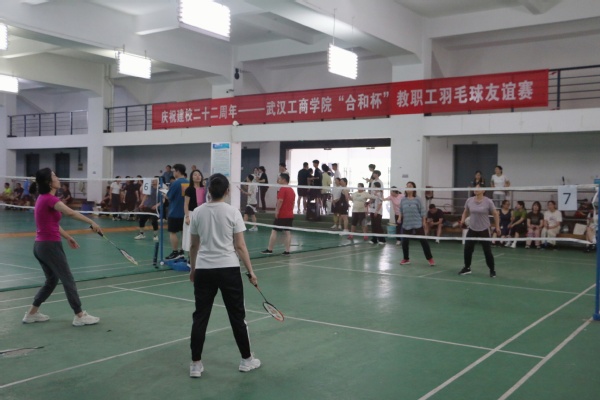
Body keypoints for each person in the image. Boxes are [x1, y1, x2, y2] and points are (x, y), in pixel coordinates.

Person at [188, 173, 260, 378]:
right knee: (237, 316)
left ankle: (195, 364)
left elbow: (193, 245)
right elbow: (240, 246)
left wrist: (193, 269)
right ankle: (246, 360)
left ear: (208, 191)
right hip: (229, 270)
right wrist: (251, 272)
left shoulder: (197, 212)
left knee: (200, 317)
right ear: (227, 191)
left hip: (204, 270)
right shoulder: (233, 212)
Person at [22, 168, 101, 326]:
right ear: (49, 182)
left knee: (52, 280)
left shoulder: (43, 198)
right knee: (67, 279)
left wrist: (68, 237)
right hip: (49, 246)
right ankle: (79, 315)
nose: (58, 177)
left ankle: (31, 313)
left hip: (41, 246)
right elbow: (70, 213)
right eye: (54, 176)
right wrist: (92, 222)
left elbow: (52, 224)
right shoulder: (49, 199)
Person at [458, 184, 500, 277]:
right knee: (467, 249)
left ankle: (492, 270)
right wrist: (462, 221)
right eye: (475, 187)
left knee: (487, 251)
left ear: (483, 190)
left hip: (484, 229)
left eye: (479, 188)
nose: (476, 189)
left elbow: (495, 214)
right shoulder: (469, 200)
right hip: (472, 228)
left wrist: (497, 227)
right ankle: (467, 268)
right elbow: (465, 211)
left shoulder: (488, 201)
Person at [398, 182, 435, 266]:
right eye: (407, 186)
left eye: (410, 186)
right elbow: (401, 210)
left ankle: (430, 259)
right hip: (406, 224)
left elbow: (422, 211)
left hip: (417, 223)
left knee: (423, 241)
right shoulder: (403, 199)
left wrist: (424, 222)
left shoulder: (418, 199)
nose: (408, 187)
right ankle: (406, 259)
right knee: (404, 242)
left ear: (414, 188)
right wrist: (399, 218)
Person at [261, 173, 295, 255]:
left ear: (284, 180)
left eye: (279, 179)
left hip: (282, 215)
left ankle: (270, 249)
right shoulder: (292, 190)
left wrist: (277, 211)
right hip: (290, 215)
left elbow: (280, 201)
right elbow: (293, 203)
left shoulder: (283, 189)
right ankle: (287, 251)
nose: (278, 180)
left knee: (274, 231)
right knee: (287, 232)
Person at [165, 164, 189, 260]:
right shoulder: (188, 182)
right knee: (184, 232)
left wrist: (164, 194)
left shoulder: (175, 183)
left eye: (174, 171)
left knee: (173, 232)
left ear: (178, 171)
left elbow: (169, 196)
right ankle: (182, 252)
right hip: (185, 213)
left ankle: (175, 252)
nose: (173, 173)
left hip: (175, 212)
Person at [183, 169, 206, 255]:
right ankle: (191, 256)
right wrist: (187, 216)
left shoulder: (204, 189)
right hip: (191, 213)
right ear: (191, 177)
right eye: (195, 175)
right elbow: (186, 204)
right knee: (190, 235)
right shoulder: (189, 189)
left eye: (199, 175)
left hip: (202, 214)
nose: (197, 176)